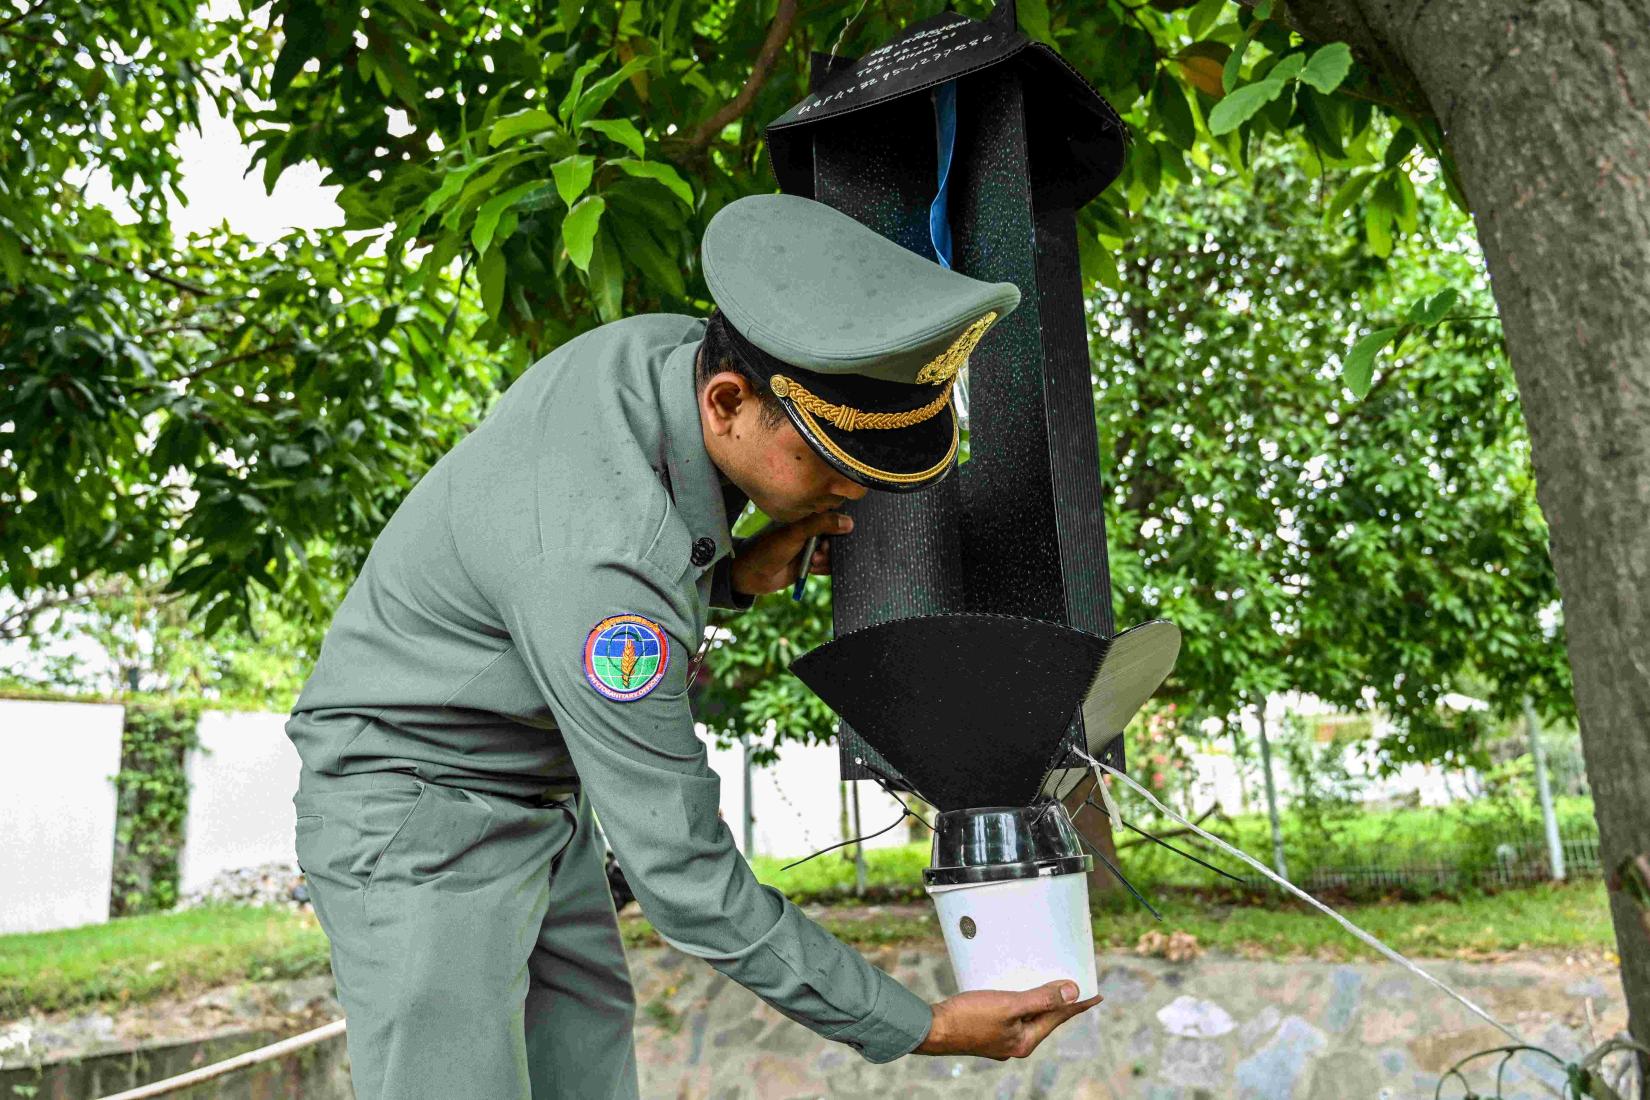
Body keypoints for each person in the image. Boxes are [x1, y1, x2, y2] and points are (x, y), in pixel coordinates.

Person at [284, 192, 1103, 1099]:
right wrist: (921, 1024)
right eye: (834, 459)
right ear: (727, 402)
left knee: (588, 1076)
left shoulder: (659, 354)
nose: (854, 493)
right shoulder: (608, 573)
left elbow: (560, 567)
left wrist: (735, 575)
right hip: (416, 817)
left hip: (535, 802)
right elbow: (684, 879)